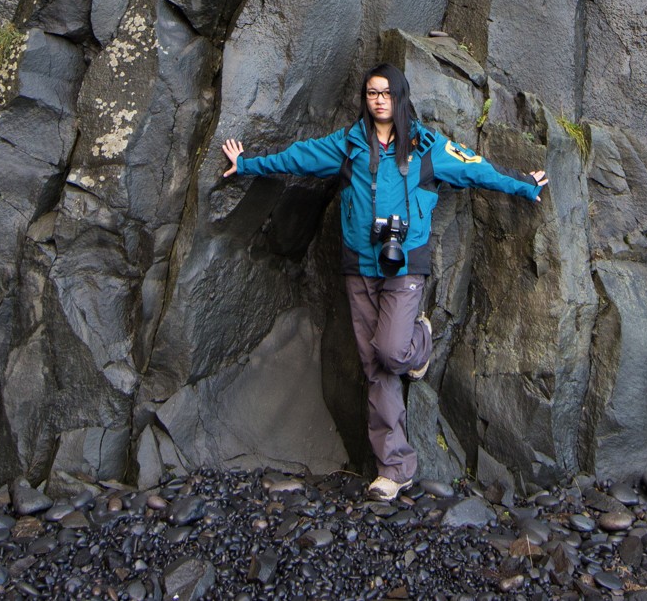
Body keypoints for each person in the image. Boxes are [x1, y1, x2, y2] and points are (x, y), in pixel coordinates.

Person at [220, 63, 547, 501]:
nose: (378, 100)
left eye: (386, 93)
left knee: (392, 351)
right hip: (359, 265)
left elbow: (475, 168)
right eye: (372, 93)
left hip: (405, 265)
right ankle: (394, 469)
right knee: (375, 366)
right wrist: (246, 164)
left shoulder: (428, 146)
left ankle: (420, 342)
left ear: (400, 97)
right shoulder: (349, 145)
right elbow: (298, 156)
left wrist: (523, 184)